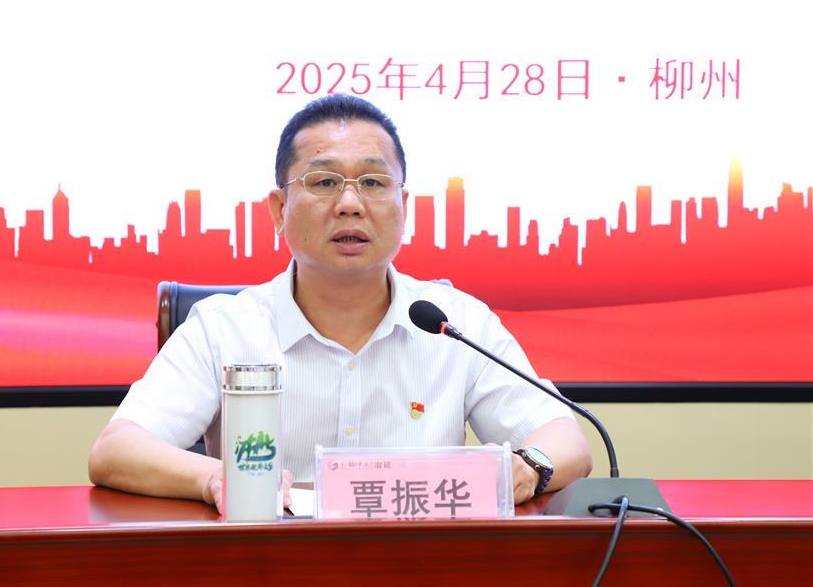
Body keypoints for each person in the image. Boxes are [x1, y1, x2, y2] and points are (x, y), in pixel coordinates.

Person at [89, 95, 592, 511]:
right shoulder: (224, 328)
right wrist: (216, 478)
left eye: (373, 183)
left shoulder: (455, 323)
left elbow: (567, 439)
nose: (350, 203)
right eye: (324, 182)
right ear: (279, 210)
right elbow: (116, 449)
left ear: (403, 207)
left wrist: (529, 466)